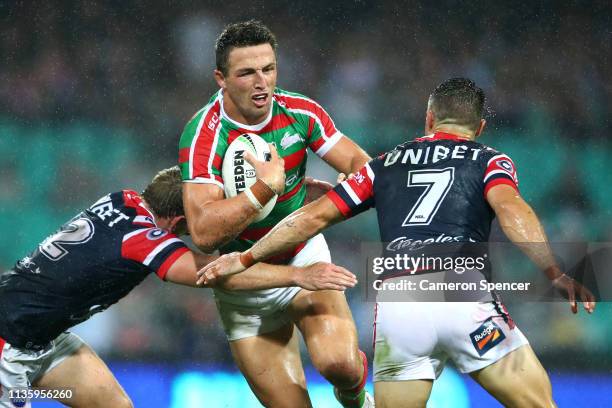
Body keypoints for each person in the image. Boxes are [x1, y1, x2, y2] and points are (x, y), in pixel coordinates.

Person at [199, 78, 597, 407]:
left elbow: (311, 217)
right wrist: (553, 270)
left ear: (428, 118)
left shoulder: (383, 164)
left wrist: (247, 256)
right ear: (478, 130)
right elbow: (513, 212)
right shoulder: (489, 159)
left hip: (399, 305)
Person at [0, 166, 356, 408]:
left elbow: (194, 183)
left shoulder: (121, 199)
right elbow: (219, 273)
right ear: (183, 221)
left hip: (44, 340)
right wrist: (298, 276)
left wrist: (291, 193)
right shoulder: (146, 242)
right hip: (7, 345)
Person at [179, 20, 373, 408]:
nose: (261, 82)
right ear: (221, 78)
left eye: (268, 69)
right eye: (247, 72)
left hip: (302, 254)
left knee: (341, 366)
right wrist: (264, 189)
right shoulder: (204, 135)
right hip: (245, 283)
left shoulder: (301, 111)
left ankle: (355, 399)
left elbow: (359, 162)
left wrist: (353, 178)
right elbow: (203, 233)